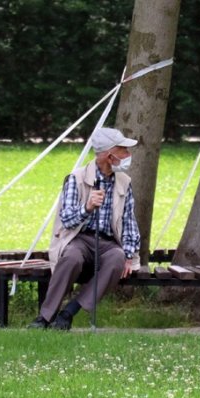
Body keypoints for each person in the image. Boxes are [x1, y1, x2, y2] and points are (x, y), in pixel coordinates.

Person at [28, 127, 141, 330]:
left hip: (108, 243)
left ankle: (69, 312)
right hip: (79, 239)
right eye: (123, 150)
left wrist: (130, 254)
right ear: (110, 155)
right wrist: (87, 207)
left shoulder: (124, 182)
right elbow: (67, 220)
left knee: (118, 259)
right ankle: (45, 317)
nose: (128, 155)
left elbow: (130, 221)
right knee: (71, 258)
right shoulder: (76, 178)